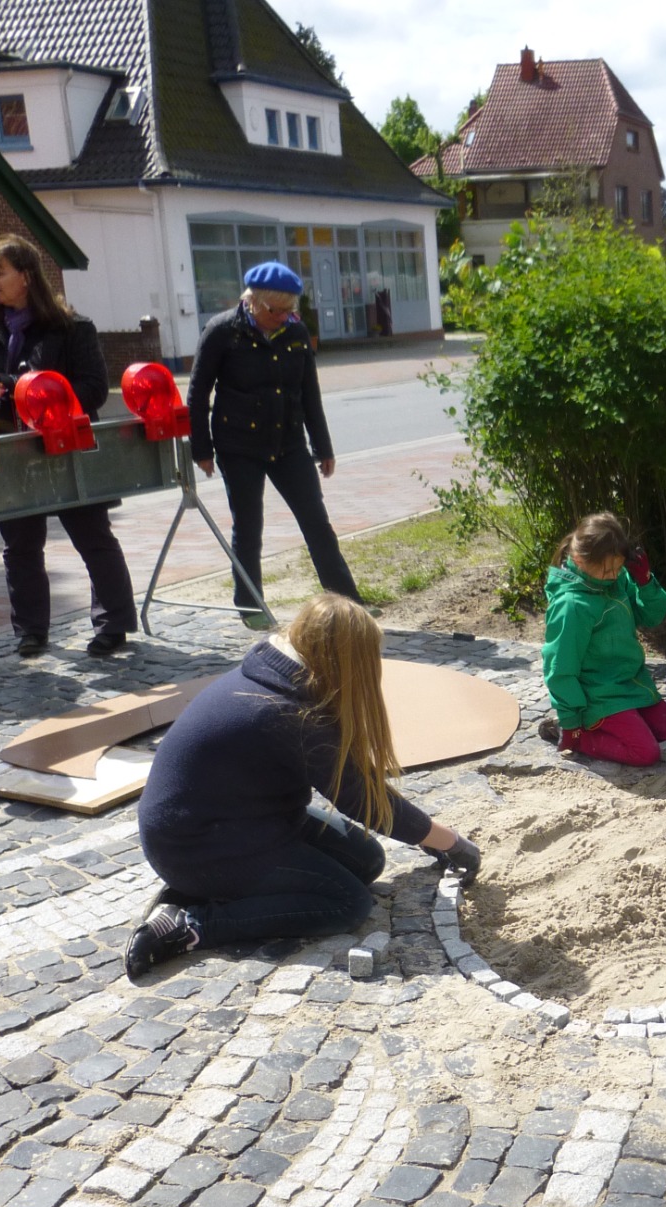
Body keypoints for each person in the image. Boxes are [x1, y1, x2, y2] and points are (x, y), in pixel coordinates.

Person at [127, 593, 480, 976]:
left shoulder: (275, 671)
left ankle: (196, 891)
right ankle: (194, 924)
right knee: (347, 903)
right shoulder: (289, 714)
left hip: (233, 823)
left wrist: (428, 836)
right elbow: (362, 800)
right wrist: (450, 842)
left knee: (366, 860)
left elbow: (361, 789)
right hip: (195, 847)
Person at [0, 235, 136, 659]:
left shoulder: (72, 327)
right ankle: (31, 631)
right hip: (14, 453)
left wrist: (36, 394)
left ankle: (113, 624)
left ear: (26, 276)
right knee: (20, 545)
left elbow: (93, 389)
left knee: (93, 537)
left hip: (68, 446)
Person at [186, 262, 358, 629]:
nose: (282, 317)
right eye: (275, 310)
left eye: (288, 310)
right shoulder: (222, 331)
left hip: (288, 442)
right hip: (238, 445)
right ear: (252, 301)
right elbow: (198, 393)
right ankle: (251, 607)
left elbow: (309, 392)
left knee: (316, 521)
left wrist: (323, 447)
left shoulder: (295, 332)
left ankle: (347, 603)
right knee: (248, 527)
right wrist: (201, 449)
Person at [537, 512, 666, 767]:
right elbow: (560, 669)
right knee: (645, 752)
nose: (614, 575)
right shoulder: (571, 605)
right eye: (607, 570)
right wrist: (571, 722)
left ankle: (628, 720)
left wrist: (645, 581)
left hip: (631, 684)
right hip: (598, 696)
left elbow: (651, 617)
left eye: (618, 567)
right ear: (580, 560)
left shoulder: (617, 579)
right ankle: (578, 736)